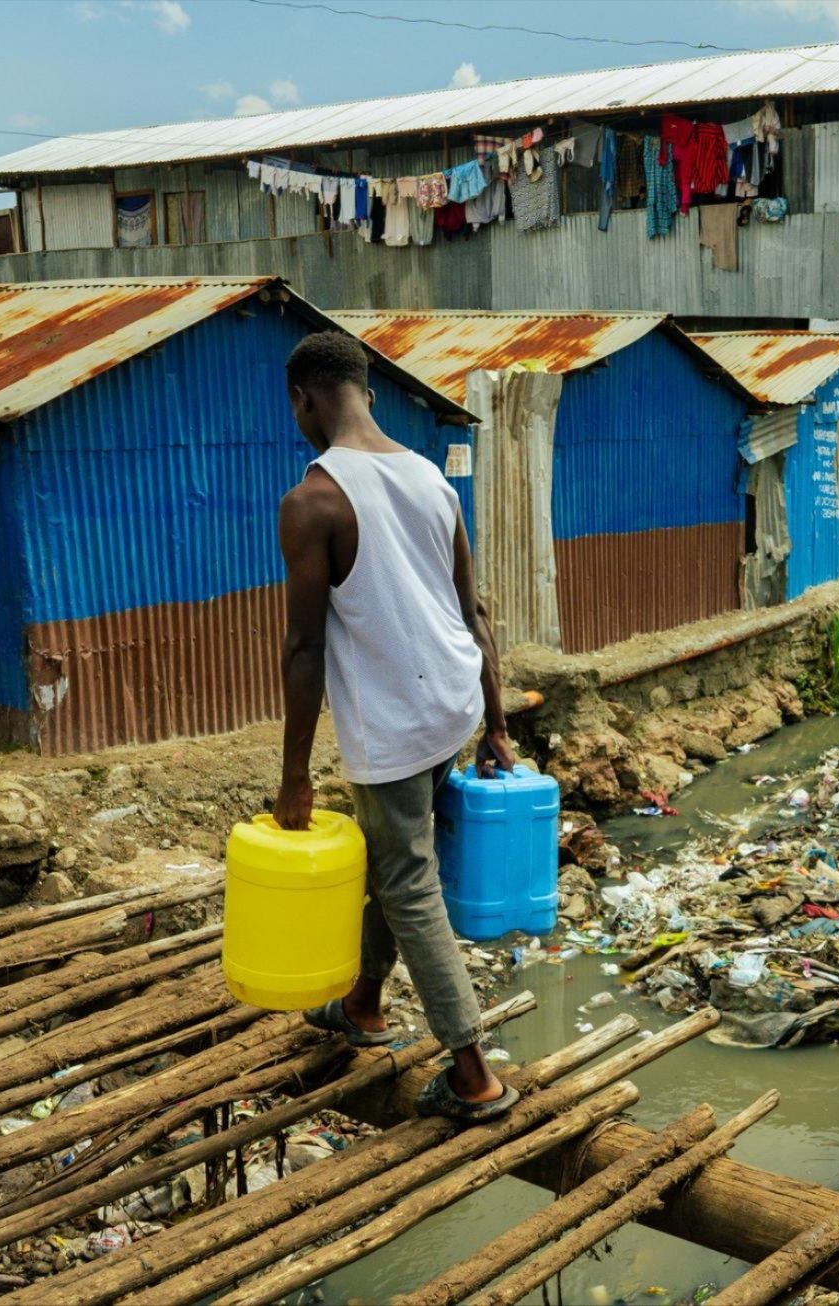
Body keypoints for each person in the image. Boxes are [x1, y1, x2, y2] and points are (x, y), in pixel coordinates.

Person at [273, 330, 519, 1121]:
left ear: (304, 400)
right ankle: (364, 1005)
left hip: (396, 721)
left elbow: (305, 648)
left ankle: (474, 1073)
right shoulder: (429, 477)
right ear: (368, 393)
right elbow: (472, 610)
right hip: (452, 700)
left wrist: (294, 776)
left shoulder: (313, 500)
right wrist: (496, 722)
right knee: (394, 853)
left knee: (410, 884)